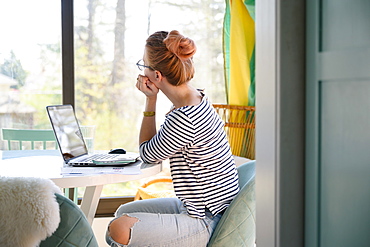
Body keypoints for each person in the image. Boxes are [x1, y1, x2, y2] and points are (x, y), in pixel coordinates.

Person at [106, 30, 240, 247]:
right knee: (124, 212)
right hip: (196, 207)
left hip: (205, 219)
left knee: (119, 228)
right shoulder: (195, 98)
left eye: (144, 66)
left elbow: (148, 154)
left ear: (157, 76)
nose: (142, 72)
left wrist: (150, 101)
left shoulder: (185, 117)